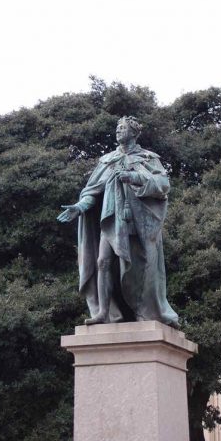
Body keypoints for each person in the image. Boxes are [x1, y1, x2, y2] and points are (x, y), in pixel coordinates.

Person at [57, 116, 179, 327]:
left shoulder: (147, 158)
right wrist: (79, 207)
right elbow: (93, 191)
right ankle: (103, 313)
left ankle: (143, 310)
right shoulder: (107, 160)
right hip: (111, 221)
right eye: (117, 128)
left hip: (136, 223)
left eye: (123, 128)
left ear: (134, 132)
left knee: (138, 268)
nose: (118, 131)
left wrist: (135, 177)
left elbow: (163, 184)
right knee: (102, 262)